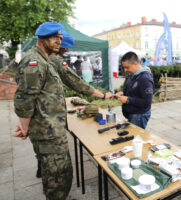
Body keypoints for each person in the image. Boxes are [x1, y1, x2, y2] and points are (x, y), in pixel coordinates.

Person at [13, 22, 112, 200]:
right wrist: (25, 127)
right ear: (41, 38)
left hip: (52, 129)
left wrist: (102, 96)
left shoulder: (46, 58)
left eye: (60, 38)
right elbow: (25, 99)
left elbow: (71, 82)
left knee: (59, 172)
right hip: (47, 131)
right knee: (57, 175)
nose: (59, 42)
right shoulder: (33, 62)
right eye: (55, 38)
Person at [115, 51, 154, 129]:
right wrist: (122, 92)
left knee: (136, 139)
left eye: (127, 67)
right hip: (133, 114)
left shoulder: (145, 78)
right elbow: (128, 87)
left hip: (139, 115)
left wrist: (128, 100)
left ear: (135, 63)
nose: (125, 70)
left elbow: (147, 102)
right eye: (124, 67)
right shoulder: (133, 74)